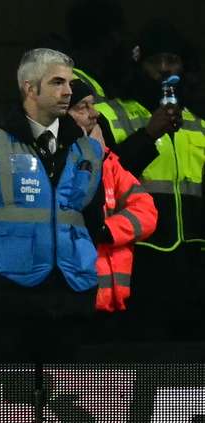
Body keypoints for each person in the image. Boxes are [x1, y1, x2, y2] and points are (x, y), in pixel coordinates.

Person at [0, 48, 106, 363]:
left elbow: (91, 220)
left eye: (69, 84)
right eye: (57, 83)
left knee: (65, 401)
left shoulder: (87, 149)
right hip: (5, 296)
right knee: (8, 406)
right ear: (30, 88)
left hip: (70, 295)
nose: (68, 92)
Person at [95, 21, 205, 344]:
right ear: (137, 63)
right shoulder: (108, 115)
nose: (164, 70)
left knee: (186, 384)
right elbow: (99, 182)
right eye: (155, 61)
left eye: (172, 61)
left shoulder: (199, 125)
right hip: (136, 266)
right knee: (137, 370)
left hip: (192, 268)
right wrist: (148, 135)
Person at [66, 78, 157, 314]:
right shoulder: (55, 161)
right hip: (74, 299)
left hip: (114, 301)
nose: (94, 113)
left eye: (92, 105)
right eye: (82, 107)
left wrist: (108, 230)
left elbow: (146, 211)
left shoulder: (108, 162)